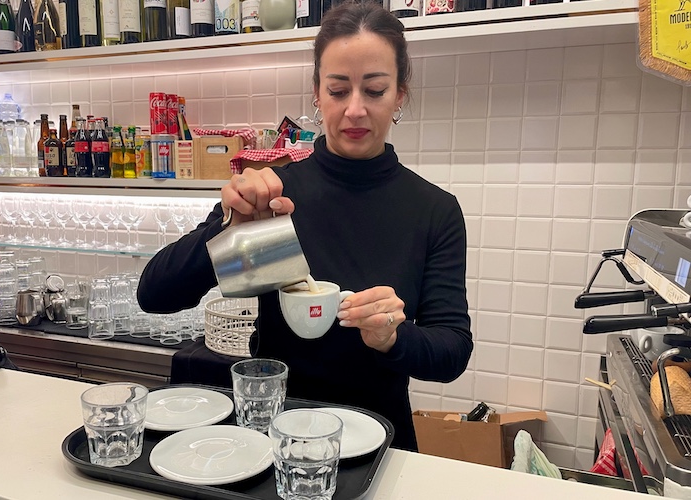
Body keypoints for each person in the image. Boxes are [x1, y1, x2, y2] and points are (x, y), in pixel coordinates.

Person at [138, 0, 473, 452]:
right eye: (338, 90)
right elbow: (155, 296)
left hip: (381, 441)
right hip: (272, 442)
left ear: (400, 95)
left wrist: (394, 337)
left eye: (374, 91)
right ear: (317, 93)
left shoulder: (434, 210)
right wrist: (228, 230)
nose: (355, 110)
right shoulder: (274, 195)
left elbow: (452, 350)